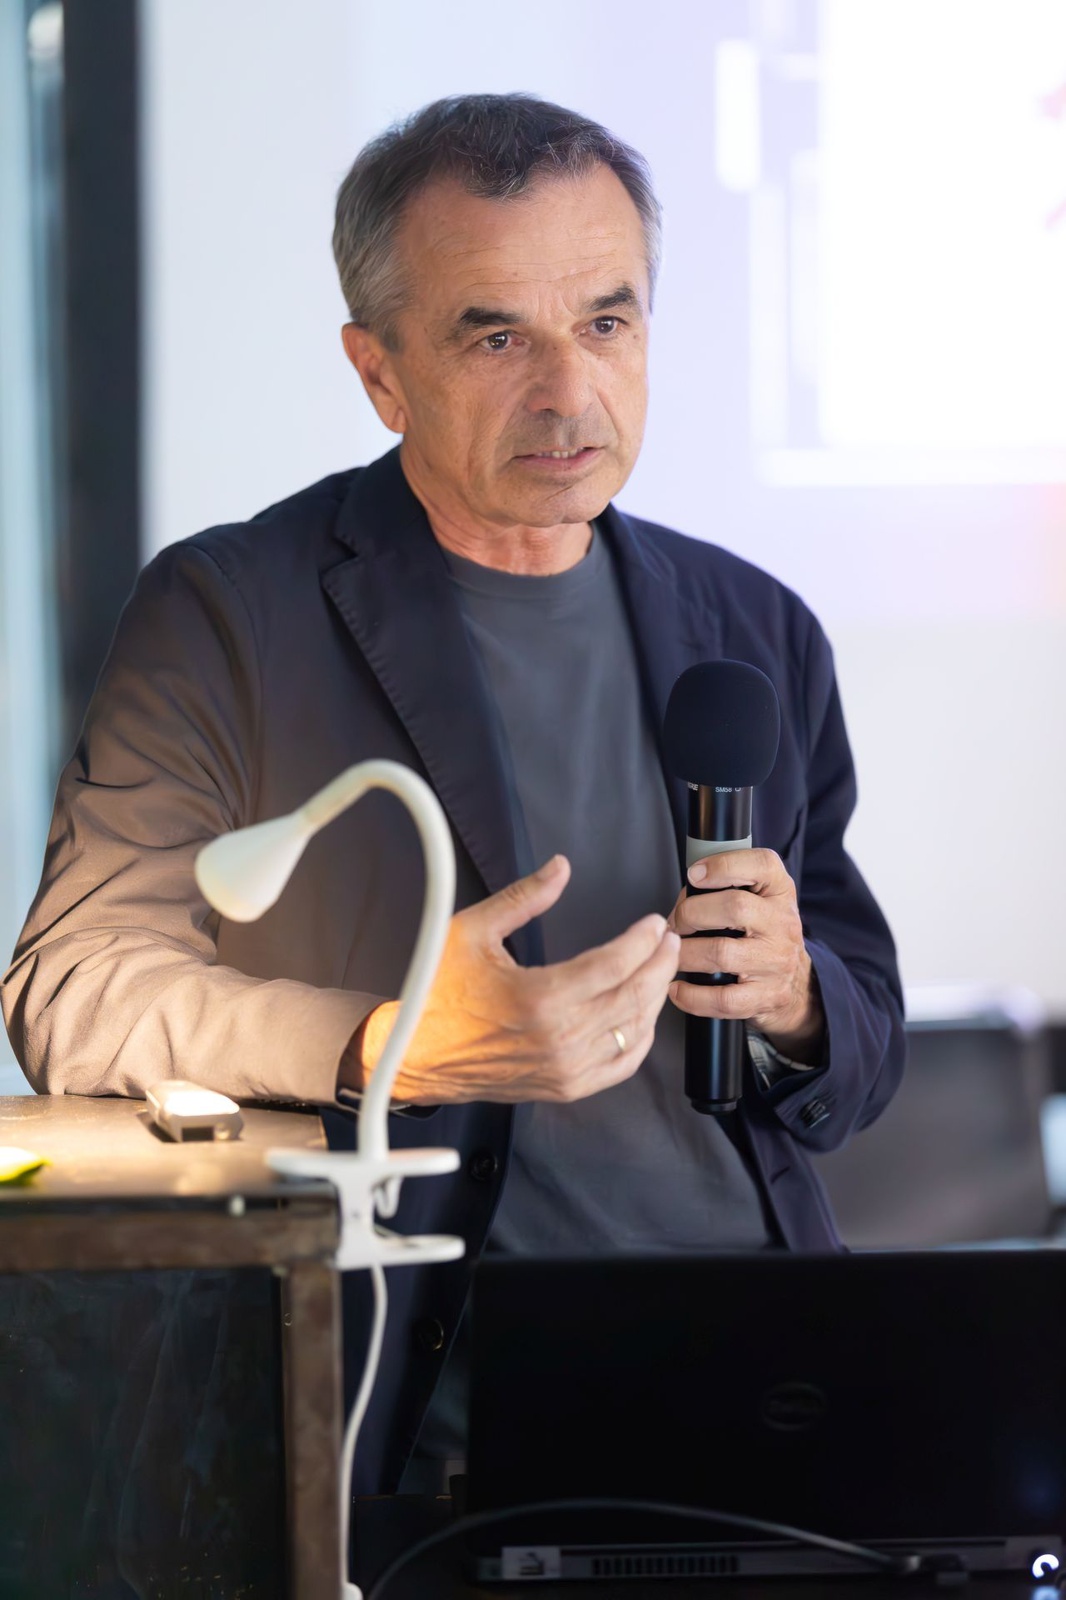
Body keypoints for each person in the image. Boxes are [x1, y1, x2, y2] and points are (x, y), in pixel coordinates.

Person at [1, 94, 904, 1496]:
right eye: (497, 338)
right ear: (379, 372)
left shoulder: (753, 624)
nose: (569, 391)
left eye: (605, 322)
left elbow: (863, 1036)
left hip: (766, 1374)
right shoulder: (230, 610)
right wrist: (394, 1045)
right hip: (428, 1414)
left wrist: (794, 1000)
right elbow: (77, 991)